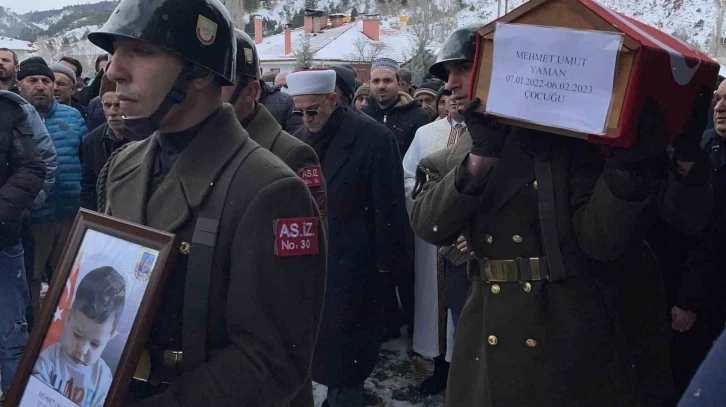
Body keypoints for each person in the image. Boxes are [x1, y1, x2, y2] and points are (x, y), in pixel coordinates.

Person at [410, 24, 711, 406]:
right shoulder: (456, 153)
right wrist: (480, 159)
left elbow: (605, 240)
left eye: (463, 69)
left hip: (571, 331)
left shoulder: (576, 142)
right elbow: (429, 225)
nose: (449, 85)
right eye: (446, 74)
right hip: (489, 326)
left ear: (509, 69)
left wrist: (639, 165)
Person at [89, 0, 326, 404]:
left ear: (199, 72)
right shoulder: (124, 164)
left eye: (141, 51)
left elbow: (271, 362)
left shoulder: (269, 189)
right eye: (114, 53)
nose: (113, 71)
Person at [288, 68, 409, 407]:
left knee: (347, 360)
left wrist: (388, 271)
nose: (307, 119)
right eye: (300, 112)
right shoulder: (298, 140)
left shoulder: (373, 138)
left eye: (314, 111)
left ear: (333, 99)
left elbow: (390, 208)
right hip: (312, 267)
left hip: (357, 267)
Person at [403, 91, 467, 396]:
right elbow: (408, 177)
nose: (455, 98)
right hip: (433, 238)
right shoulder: (426, 133)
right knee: (436, 305)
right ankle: (440, 367)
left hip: (471, 239)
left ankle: (464, 371)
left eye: (460, 93)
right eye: (449, 94)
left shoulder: (487, 135)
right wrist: (432, 203)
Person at [18, 57, 87, 317]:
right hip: (34, 217)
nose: (41, 86)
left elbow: (85, 158)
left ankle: (61, 330)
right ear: (20, 84)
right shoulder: (14, 117)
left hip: (71, 214)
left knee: (67, 275)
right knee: (32, 278)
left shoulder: (73, 116)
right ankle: (33, 331)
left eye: (46, 81)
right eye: (33, 80)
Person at [0, 91, 46, 401]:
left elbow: (33, 167)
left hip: (3, 240)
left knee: (12, 333)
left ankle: (15, 395)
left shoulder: (8, 109)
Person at [32, 266, 126, 407]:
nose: (82, 349)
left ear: (111, 336)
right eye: (77, 334)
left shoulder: (103, 378)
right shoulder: (50, 359)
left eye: (94, 344)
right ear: (69, 316)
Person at [361, 57, 430, 157]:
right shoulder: (361, 116)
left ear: (399, 83)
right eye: (376, 81)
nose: (381, 86)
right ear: (369, 83)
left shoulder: (419, 116)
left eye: (387, 80)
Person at [80, 88, 129, 211]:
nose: (112, 112)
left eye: (118, 105)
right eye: (107, 105)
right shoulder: (93, 139)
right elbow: (89, 186)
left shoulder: (149, 137)